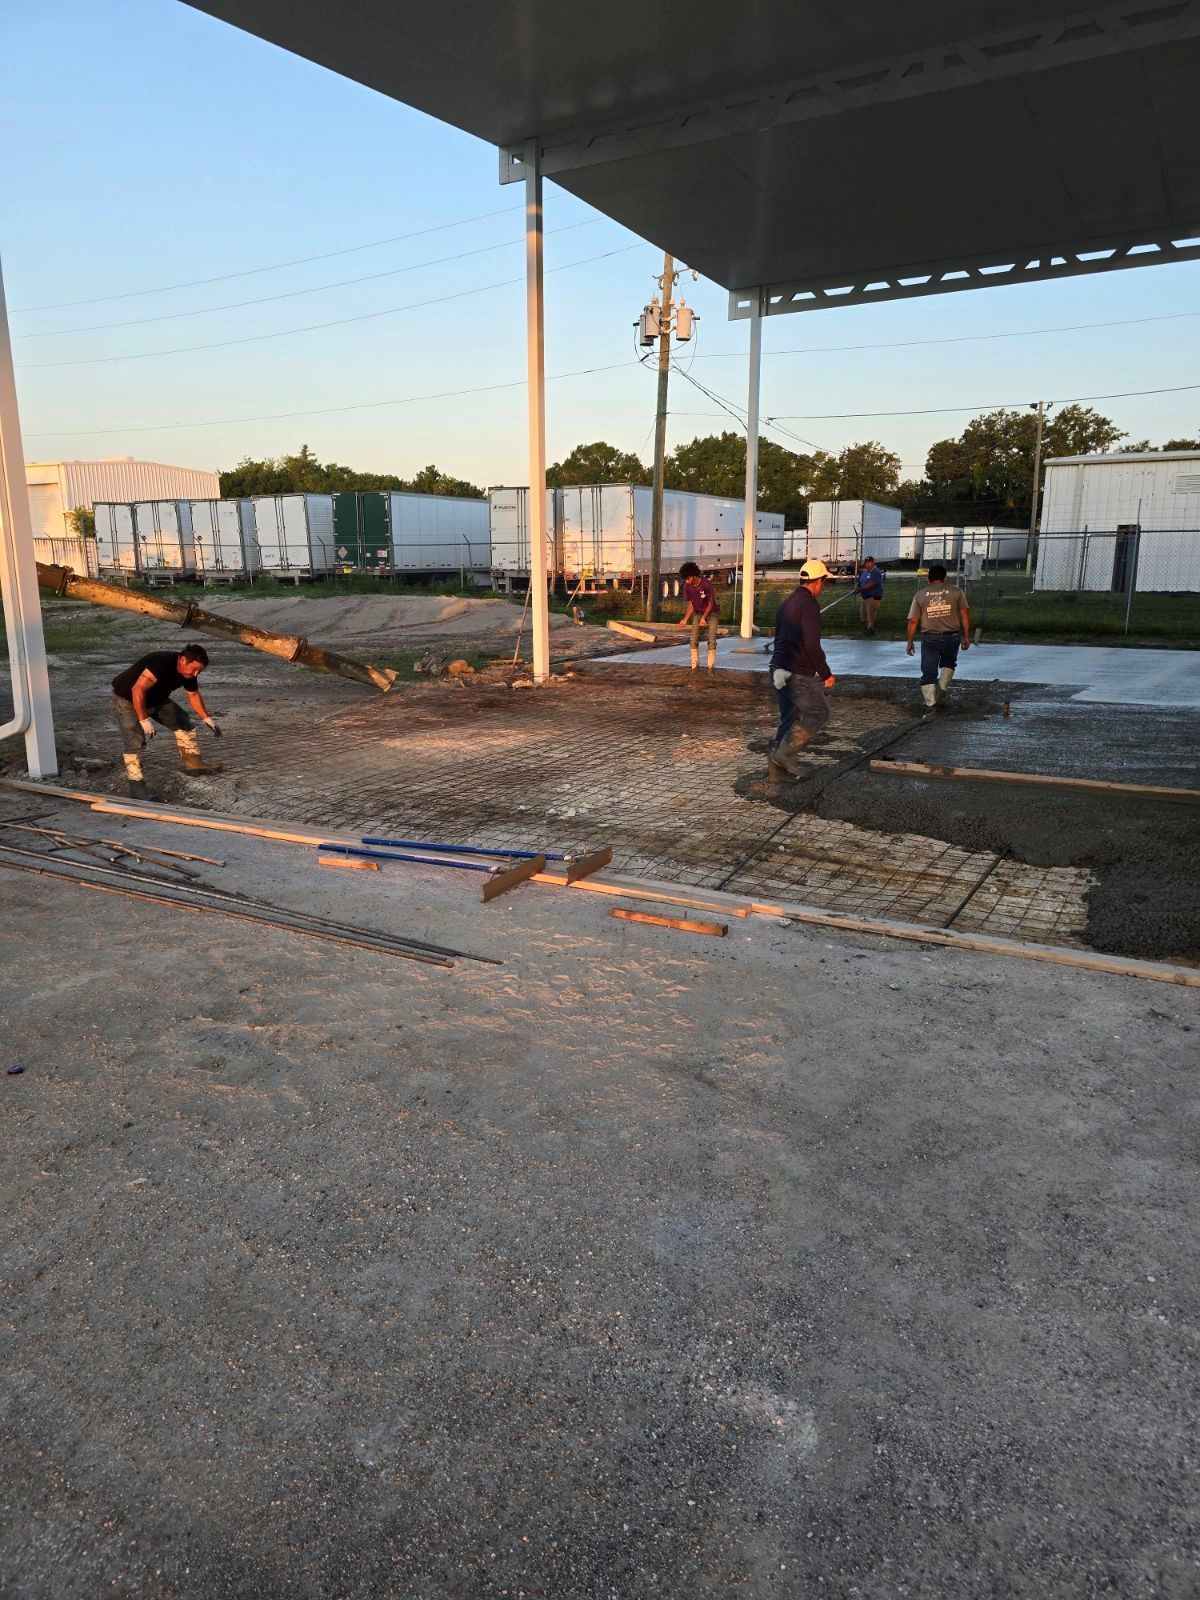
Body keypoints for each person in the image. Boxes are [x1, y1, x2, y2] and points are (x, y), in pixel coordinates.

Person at [111, 645, 223, 798]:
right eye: (194, 670)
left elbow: (193, 695)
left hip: (157, 700)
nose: (196, 674)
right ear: (182, 660)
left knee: (184, 723)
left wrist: (206, 718)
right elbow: (138, 690)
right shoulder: (160, 662)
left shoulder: (189, 673)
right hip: (127, 699)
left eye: (199, 671)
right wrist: (144, 720)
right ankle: (136, 786)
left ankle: (194, 765)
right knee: (134, 741)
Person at [767, 559, 836, 781]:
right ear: (818, 581)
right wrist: (825, 672)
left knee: (789, 719)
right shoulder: (809, 605)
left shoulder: (786, 603)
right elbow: (812, 644)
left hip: (777, 669)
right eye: (824, 581)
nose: (823, 586)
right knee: (819, 712)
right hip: (796, 672)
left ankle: (777, 771)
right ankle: (785, 754)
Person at [905, 564, 971, 711]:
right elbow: (965, 614)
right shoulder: (957, 591)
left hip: (931, 638)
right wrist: (966, 636)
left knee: (929, 671)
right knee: (949, 663)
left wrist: (910, 642)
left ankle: (931, 705)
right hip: (953, 636)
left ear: (928, 579)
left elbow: (913, 621)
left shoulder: (920, 595)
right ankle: (943, 687)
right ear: (945, 578)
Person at [676, 561, 719, 673]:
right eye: (685, 579)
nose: (686, 581)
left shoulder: (707, 584)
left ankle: (710, 668)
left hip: (712, 613)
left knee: (711, 639)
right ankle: (694, 667)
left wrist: (704, 618)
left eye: (688, 578)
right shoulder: (687, 587)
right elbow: (691, 604)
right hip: (698, 613)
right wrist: (685, 619)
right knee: (693, 639)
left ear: (694, 575)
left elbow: (710, 603)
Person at [854, 556, 884, 635]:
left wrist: (861, 589)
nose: (867, 564)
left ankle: (871, 630)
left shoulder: (876, 572)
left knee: (871, 615)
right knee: (864, 615)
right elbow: (860, 582)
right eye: (866, 563)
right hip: (865, 596)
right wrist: (857, 586)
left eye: (869, 562)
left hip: (873, 597)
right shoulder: (864, 572)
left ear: (873, 562)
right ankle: (868, 629)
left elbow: (871, 583)